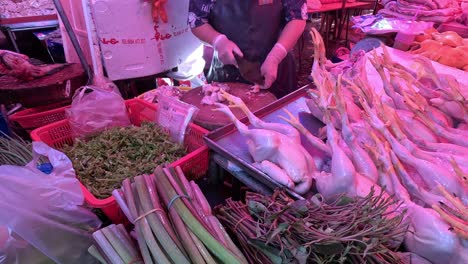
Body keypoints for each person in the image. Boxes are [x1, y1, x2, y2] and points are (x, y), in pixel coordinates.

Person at [188, 0, 308, 98]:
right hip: (226, 68)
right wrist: (218, 41)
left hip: (278, 67)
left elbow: (297, 17)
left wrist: (276, 55)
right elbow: (196, 20)